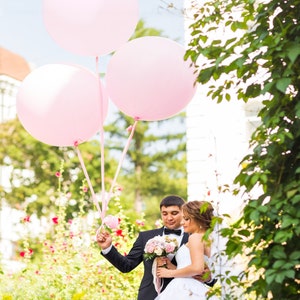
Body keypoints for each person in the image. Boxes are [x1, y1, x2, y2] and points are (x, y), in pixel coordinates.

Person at [96, 195, 216, 300]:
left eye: (174, 213)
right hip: (150, 296)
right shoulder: (145, 237)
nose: (169, 218)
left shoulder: (195, 237)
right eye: (165, 214)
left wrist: (208, 278)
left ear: (183, 213)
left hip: (187, 294)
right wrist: (108, 248)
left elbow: (206, 270)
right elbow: (126, 265)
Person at [154, 200, 217, 299]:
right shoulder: (208, 238)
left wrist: (169, 273)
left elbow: (197, 268)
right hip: (194, 286)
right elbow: (194, 271)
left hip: (184, 288)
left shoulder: (195, 237)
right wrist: (172, 266)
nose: (182, 222)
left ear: (198, 219)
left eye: (186, 219)